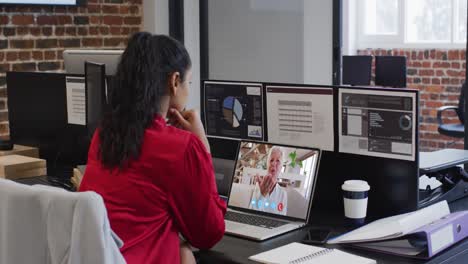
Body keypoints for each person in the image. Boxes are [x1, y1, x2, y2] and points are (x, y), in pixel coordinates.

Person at [79, 32, 226, 264]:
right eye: (188, 81)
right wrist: (202, 147)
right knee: (185, 251)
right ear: (174, 81)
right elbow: (209, 233)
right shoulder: (180, 147)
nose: (188, 89)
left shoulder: (104, 133)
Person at [249, 147, 288, 215]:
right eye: (271, 160)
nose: (273, 163)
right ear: (267, 164)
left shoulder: (283, 194)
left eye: (278, 161)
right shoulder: (258, 186)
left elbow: (281, 219)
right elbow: (251, 213)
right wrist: (262, 195)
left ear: (281, 166)